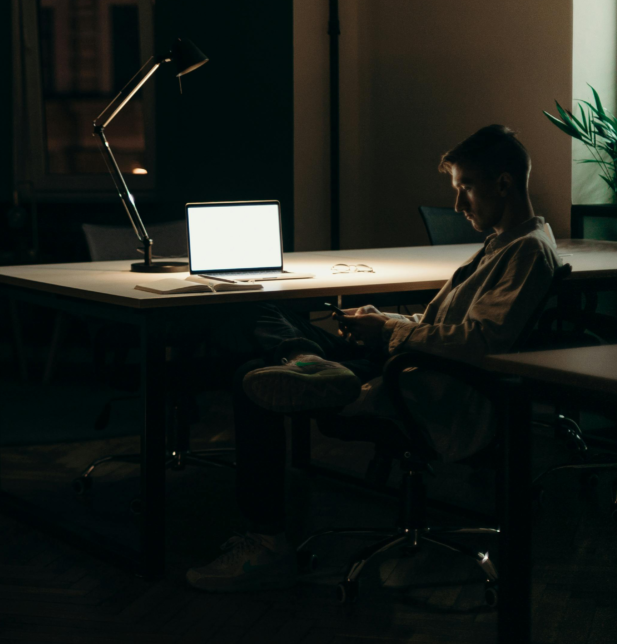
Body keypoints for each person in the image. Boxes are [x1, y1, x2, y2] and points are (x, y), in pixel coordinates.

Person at [185, 124, 563, 592]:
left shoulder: (527, 253)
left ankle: (266, 540)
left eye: (465, 188)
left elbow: (479, 342)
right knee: (257, 306)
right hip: (412, 362)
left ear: (503, 183)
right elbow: (447, 323)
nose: (458, 204)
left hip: (423, 386)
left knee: (251, 377)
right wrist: (379, 318)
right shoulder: (504, 245)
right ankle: (304, 355)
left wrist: (390, 331)